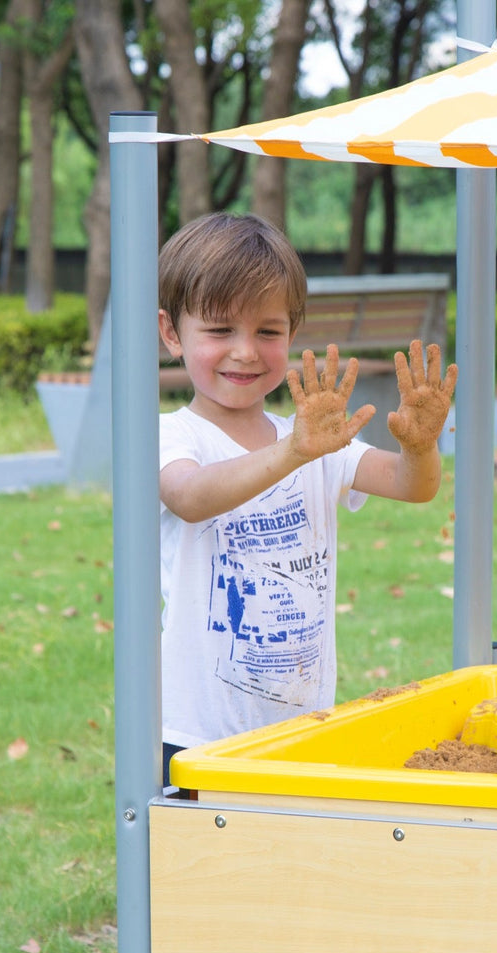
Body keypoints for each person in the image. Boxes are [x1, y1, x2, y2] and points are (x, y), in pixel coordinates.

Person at [155, 212, 457, 785]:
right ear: (172, 332)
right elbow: (190, 496)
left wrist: (420, 445)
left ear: (292, 333)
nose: (245, 352)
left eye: (267, 332)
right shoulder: (176, 435)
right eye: (220, 331)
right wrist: (294, 451)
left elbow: (412, 486)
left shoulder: (312, 437)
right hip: (197, 733)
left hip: (301, 725)